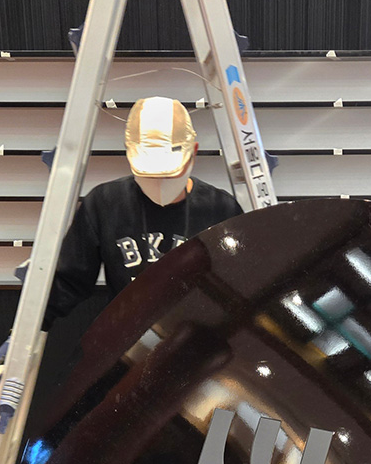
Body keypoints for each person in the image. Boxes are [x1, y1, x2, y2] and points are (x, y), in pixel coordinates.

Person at [41, 96, 245, 330]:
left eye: (170, 173)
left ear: (193, 153)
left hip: (197, 336)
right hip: (125, 337)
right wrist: (25, 330)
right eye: (149, 174)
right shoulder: (105, 203)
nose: (159, 183)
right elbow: (69, 281)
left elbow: (240, 285)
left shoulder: (220, 209)